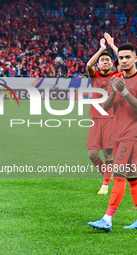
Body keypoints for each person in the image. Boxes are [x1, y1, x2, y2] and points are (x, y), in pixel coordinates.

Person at [88, 44, 137, 231]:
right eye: (121, 58)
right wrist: (115, 91)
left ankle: (107, 219)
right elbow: (106, 107)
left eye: (127, 57)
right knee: (133, 178)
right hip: (117, 133)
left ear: (135, 59)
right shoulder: (116, 79)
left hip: (132, 135)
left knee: (119, 176)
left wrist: (124, 90)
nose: (124, 60)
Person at [86, 34, 119, 195]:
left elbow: (126, 63)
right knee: (92, 154)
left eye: (107, 60)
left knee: (108, 152)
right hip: (96, 118)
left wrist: (112, 45)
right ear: (99, 64)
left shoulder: (116, 75)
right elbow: (88, 65)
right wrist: (102, 49)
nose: (105, 62)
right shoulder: (95, 76)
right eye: (102, 60)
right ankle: (109, 175)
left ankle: (105, 184)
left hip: (111, 119)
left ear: (112, 64)